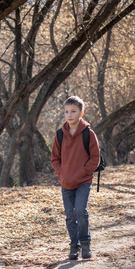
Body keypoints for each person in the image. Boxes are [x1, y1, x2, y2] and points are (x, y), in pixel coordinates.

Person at [51, 96, 100, 260]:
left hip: (84, 181)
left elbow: (95, 157)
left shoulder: (88, 133)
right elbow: (55, 159)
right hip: (66, 181)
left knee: (80, 211)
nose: (69, 115)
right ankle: (74, 246)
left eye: (73, 111)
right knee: (70, 215)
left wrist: (86, 171)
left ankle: (85, 243)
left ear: (81, 113)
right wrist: (61, 172)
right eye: (66, 112)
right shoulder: (60, 135)